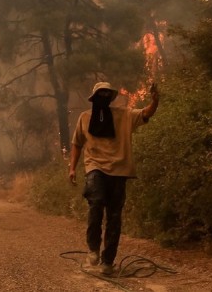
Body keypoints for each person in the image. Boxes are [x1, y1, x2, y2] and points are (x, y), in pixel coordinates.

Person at [68, 81, 159, 276]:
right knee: (96, 203)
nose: (103, 97)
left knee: (114, 217)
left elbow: (146, 113)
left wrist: (155, 99)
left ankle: (107, 262)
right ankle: (93, 250)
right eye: (100, 94)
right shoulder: (85, 118)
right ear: (94, 98)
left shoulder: (124, 115)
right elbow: (76, 144)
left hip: (119, 170)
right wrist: (72, 169)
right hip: (95, 168)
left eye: (106, 95)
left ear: (110, 98)